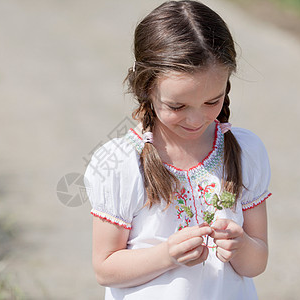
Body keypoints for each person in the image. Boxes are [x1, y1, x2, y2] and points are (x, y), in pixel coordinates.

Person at [84, 1, 271, 299]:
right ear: (145, 87)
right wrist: (167, 255)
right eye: (177, 106)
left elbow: (256, 262)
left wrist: (242, 246)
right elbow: (105, 268)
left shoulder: (245, 151)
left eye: (212, 101)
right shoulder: (121, 163)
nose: (196, 119)